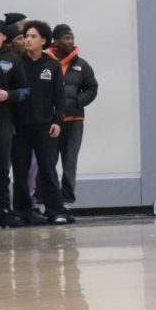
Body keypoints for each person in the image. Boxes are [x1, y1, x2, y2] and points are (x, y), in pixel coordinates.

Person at [12, 20, 69, 226]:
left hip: (45, 125)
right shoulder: (17, 62)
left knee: (47, 168)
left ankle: (56, 210)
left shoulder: (52, 65)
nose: (28, 39)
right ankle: (21, 210)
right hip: (20, 126)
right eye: (26, 36)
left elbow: (60, 98)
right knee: (20, 170)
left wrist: (58, 121)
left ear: (43, 40)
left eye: (33, 36)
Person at [48, 23, 98, 204]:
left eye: (72, 38)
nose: (70, 41)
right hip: (51, 121)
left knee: (70, 162)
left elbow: (92, 88)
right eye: (66, 38)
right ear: (56, 41)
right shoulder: (46, 62)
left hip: (74, 121)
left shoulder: (81, 65)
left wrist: (77, 101)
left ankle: (67, 201)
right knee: (48, 162)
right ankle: (49, 200)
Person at [0, 19, 28, 228]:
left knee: (1, 169)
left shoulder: (13, 60)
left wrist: (7, 94)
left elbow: (24, 91)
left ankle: (4, 213)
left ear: (4, 37)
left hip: (2, 122)